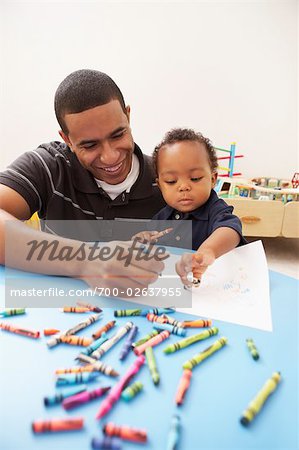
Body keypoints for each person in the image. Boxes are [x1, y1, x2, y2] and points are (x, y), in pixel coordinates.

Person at [0, 70, 166, 295]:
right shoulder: (49, 166)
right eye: (90, 146)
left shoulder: (169, 180)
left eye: (118, 135)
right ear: (67, 139)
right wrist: (86, 261)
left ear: (128, 116)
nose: (110, 157)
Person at [133, 128, 247, 287]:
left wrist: (208, 250)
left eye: (195, 178)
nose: (184, 187)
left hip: (215, 287)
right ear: (160, 185)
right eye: (171, 181)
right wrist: (141, 241)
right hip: (178, 287)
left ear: (213, 179)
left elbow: (231, 230)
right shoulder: (161, 218)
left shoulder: (215, 209)